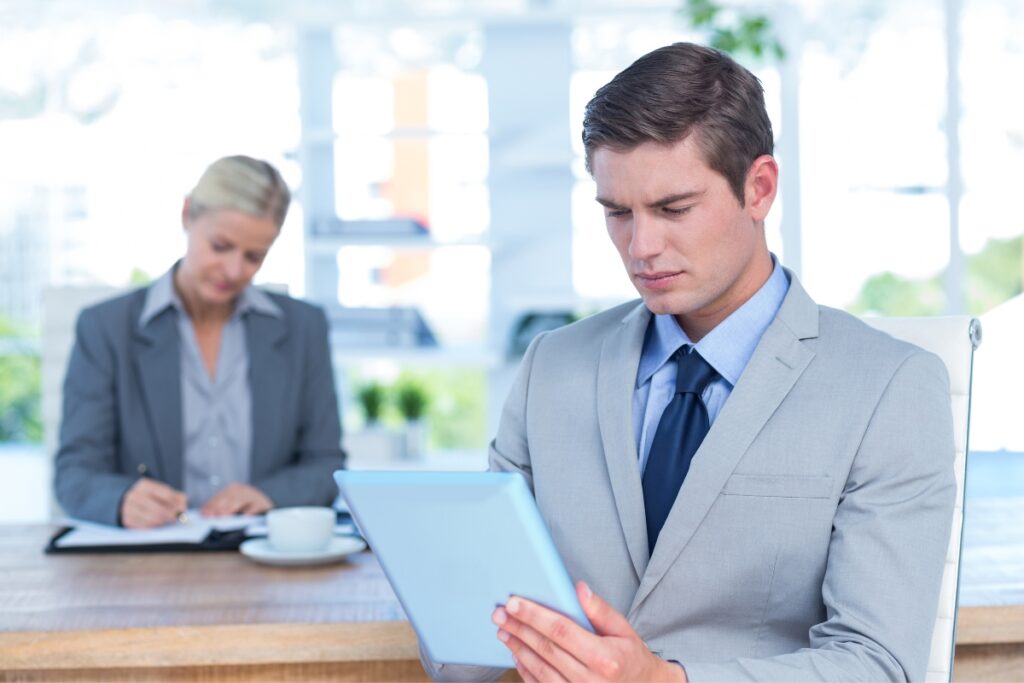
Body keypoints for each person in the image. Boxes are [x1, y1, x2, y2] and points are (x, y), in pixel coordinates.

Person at [423, 43, 955, 682]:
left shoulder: (889, 388)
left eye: (674, 209)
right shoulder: (550, 368)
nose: (640, 247)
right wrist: (451, 601)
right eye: (617, 212)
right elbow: (462, 652)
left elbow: (878, 664)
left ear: (759, 188)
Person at [55, 155, 345, 528]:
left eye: (254, 256)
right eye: (221, 246)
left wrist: (271, 494)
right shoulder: (106, 328)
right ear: (188, 214)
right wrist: (120, 499)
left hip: (264, 561)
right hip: (149, 567)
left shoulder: (304, 328)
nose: (234, 271)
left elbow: (326, 464)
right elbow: (75, 475)